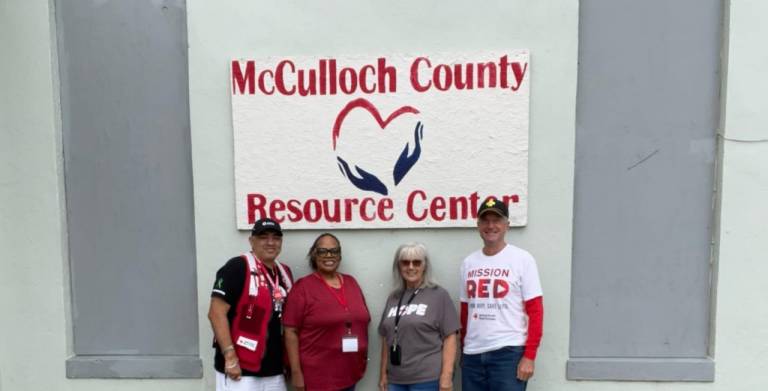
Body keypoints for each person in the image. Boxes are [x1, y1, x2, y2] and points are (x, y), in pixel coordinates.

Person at [459, 197, 544, 391]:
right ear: (478, 226)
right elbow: (465, 312)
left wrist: (529, 356)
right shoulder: (468, 263)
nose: (491, 226)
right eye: (485, 220)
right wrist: (463, 350)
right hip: (472, 356)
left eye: (496, 220)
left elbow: (536, 311)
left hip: (508, 354)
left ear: (507, 225)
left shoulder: (522, 260)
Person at [208, 218, 294, 391]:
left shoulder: (284, 272)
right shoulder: (237, 266)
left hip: (274, 371)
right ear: (251, 241)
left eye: (276, 238)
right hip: (240, 371)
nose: (270, 242)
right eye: (263, 237)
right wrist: (230, 357)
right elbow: (216, 313)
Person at [283, 233, 371, 391]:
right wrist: (296, 372)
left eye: (334, 251)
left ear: (340, 254)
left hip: (349, 374)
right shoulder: (303, 287)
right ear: (314, 255)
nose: (329, 255)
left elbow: (363, 319)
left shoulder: (351, 282)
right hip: (318, 377)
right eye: (322, 251)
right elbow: (290, 331)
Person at [377, 243, 459, 391]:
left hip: (427, 379)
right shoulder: (394, 297)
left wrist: (446, 377)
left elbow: (450, 337)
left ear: (424, 266)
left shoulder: (439, 295)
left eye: (416, 262)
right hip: (395, 380)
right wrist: (383, 374)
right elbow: (386, 338)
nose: (411, 267)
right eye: (405, 262)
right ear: (398, 266)